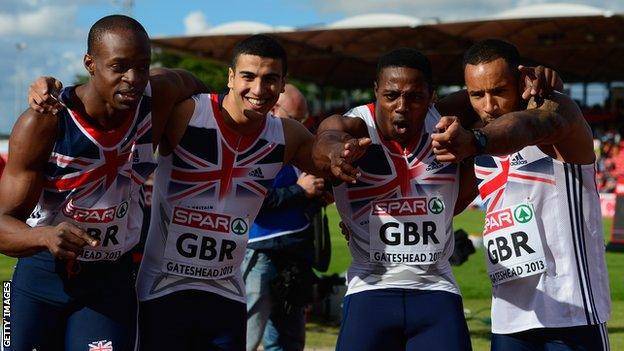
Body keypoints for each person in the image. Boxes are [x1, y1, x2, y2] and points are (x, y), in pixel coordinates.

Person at [1, 15, 206, 351]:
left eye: (143, 66)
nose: (134, 79)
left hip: (111, 280)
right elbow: (2, 221)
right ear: (90, 64)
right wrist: (44, 236)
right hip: (42, 277)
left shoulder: (160, 96)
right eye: (119, 67)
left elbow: (201, 89)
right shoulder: (45, 122)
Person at [135, 35, 350, 351]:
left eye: (270, 79)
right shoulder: (187, 114)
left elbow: (326, 159)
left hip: (225, 296)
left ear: (282, 84)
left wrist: (337, 164)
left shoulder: (286, 135)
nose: (259, 90)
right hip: (163, 291)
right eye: (248, 76)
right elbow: (155, 79)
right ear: (230, 77)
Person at [431, 39, 611, 351]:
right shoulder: (480, 147)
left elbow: (528, 125)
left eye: (499, 90)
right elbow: (444, 206)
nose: (489, 105)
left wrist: (476, 139)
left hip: (573, 314)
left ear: (520, 80)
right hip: (509, 319)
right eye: (477, 94)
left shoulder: (558, 116)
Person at [313, 48, 473, 351]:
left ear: (431, 97)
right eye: (390, 95)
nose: (401, 107)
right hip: (370, 291)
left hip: (436, 290)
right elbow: (326, 136)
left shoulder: (444, 125)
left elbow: (494, 89)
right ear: (376, 91)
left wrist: (536, 77)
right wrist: (335, 153)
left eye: (414, 97)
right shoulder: (358, 126)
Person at [242, 84, 328, 351]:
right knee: (247, 333)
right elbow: (255, 200)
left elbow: (307, 200)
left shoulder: (300, 145)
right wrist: (301, 191)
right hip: (262, 250)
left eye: (305, 120)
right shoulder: (254, 143)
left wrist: (318, 195)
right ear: (274, 109)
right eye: (295, 118)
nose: (301, 126)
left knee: (289, 339)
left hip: (296, 253)